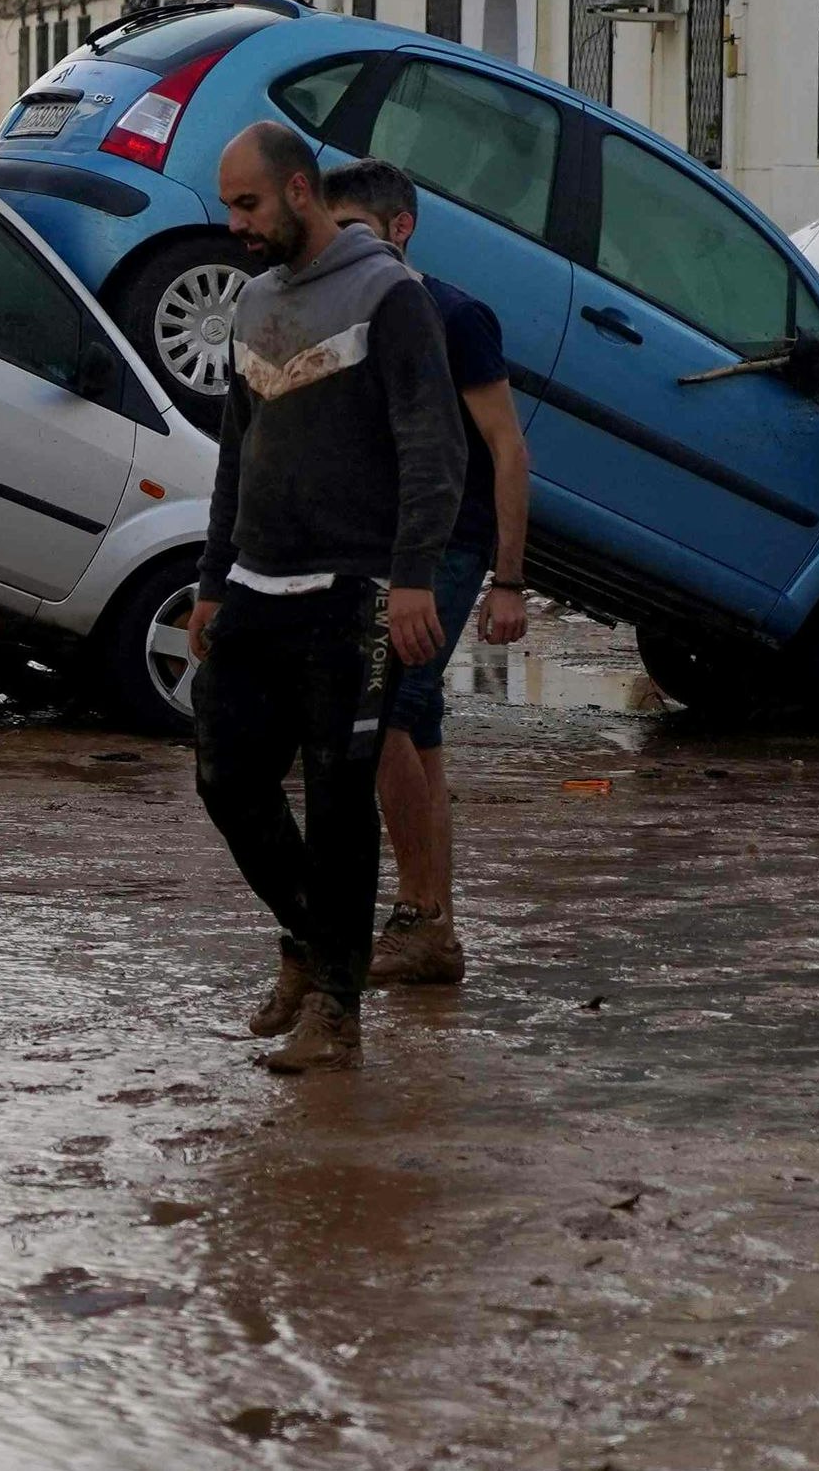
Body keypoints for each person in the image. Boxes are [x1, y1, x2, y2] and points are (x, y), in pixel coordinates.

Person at [188, 122, 466, 1073]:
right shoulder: (253, 302)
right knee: (226, 778)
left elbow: (437, 446)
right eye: (230, 207)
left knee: (343, 804)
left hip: (355, 594)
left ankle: (337, 1012)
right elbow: (236, 453)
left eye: (249, 205)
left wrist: (414, 577)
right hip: (256, 590)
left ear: (300, 191)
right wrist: (211, 581)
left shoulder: (390, 297)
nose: (236, 225)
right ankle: (316, 946)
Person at [321, 159, 532, 989]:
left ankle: (415, 916)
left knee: (384, 723)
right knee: (417, 732)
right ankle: (433, 928)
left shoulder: (455, 315)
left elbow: (508, 448)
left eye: (355, 233)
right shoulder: (347, 314)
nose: (340, 251)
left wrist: (508, 581)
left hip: (447, 545)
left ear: (399, 228)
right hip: (381, 546)